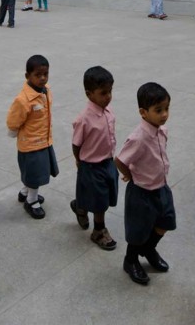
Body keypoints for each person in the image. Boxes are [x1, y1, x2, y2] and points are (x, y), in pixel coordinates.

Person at [115, 82, 175, 286]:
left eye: (166, 108)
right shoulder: (138, 138)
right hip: (141, 192)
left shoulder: (162, 130)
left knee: (165, 222)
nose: (164, 114)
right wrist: (130, 176)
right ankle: (130, 260)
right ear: (143, 112)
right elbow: (120, 160)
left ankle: (149, 249)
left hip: (161, 186)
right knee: (138, 230)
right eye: (158, 110)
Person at [70, 65, 118, 251]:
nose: (108, 97)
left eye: (110, 91)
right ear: (89, 94)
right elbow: (76, 143)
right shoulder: (84, 119)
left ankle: (80, 206)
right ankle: (99, 230)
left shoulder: (108, 112)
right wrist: (79, 161)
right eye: (103, 93)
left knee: (106, 194)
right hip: (91, 164)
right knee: (100, 201)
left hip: (107, 161)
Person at [5, 54, 57, 220]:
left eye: (45, 74)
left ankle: (25, 192)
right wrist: (13, 130)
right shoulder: (23, 99)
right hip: (31, 144)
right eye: (38, 75)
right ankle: (31, 200)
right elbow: (14, 118)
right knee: (36, 174)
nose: (42, 78)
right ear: (27, 76)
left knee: (35, 172)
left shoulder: (46, 91)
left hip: (44, 140)